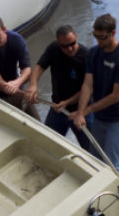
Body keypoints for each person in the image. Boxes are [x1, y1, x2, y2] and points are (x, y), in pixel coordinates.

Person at [69, 13, 119, 173]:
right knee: (95, 162)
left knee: (113, 166)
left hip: (118, 119)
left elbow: (116, 96)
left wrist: (87, 111)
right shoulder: (93, 53)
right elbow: (87, 83)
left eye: (103, 37)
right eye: (96, 36)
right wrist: (80, 112)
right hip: (99, 118)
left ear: (113, 34)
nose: (99, 40)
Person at [24, 24, 92, 152]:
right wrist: (33, 85)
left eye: (72, 43)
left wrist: (68, 103)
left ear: (76, 37)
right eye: (65, 46)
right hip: (57, 108)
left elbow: (88, 88)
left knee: (91, 150)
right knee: (47, 143)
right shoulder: (53, 49)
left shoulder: (87, 57)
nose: (70, 48)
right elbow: (39, 67)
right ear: (58, 43)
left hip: (81, 111)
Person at [0, 16, 41, 120]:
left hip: (16, 88)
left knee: (36, 121)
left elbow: (27, 71)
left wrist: (17, 83)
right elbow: (0, 83)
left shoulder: (16, 40)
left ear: (4, 29)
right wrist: (25, 96)